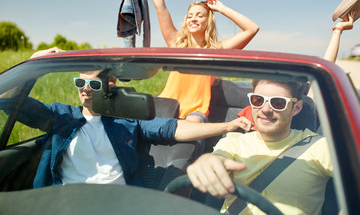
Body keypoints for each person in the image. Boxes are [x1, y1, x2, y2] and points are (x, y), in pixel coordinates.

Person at [0, 48, 253, 188]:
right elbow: (10, 101)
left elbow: (173, 129)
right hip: (65, 204)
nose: (85, 90)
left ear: (110, 84)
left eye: (93, 85)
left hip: (119, 204)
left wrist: (228, 125)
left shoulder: (126, 119)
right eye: (80, 83)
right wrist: (33, 64)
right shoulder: (60, 116)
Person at [186, 79, 332, 214]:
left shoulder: (319, 146)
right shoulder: (232, 143)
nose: (265, 109)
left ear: (296, 108)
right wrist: (206, 162)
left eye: (278, 103)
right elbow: (216, 159)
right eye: (258, 100)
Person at [143, 0, 259, 123]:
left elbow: (252, 29)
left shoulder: (216, 49)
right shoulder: (176, 43)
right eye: (190, 16)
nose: (193, 19)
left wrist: (221, 9)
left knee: (193, 124)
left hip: (195, 114)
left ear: (208, 21)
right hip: (166, 107)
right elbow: (160, 5)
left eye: (199, 15)